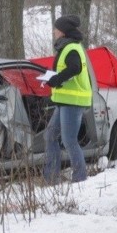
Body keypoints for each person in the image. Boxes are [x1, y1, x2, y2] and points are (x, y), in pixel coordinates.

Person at [42, 15, 91, 183]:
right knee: (50, 135)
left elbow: (75, 68)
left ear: (63, 31)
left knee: (69, 140)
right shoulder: (66, 47)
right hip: (65, 100)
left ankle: (80, 177)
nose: (54, 31)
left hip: (73, 101)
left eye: (56, 29)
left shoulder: (72, 48)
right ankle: (51, 178)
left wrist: (57, 79)